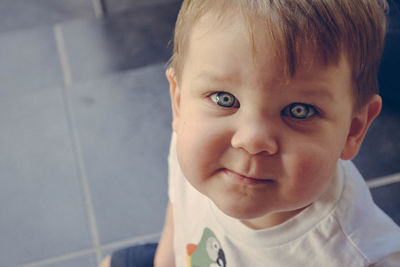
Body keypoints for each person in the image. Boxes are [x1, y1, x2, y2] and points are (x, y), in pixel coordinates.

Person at [101, 0, 400, 266]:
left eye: (299, 110)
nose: (252, 141)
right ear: (179, 103)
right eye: (224, 99)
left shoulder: (359, 256)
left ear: (354, 129)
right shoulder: (191, 142)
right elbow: (178, 220)